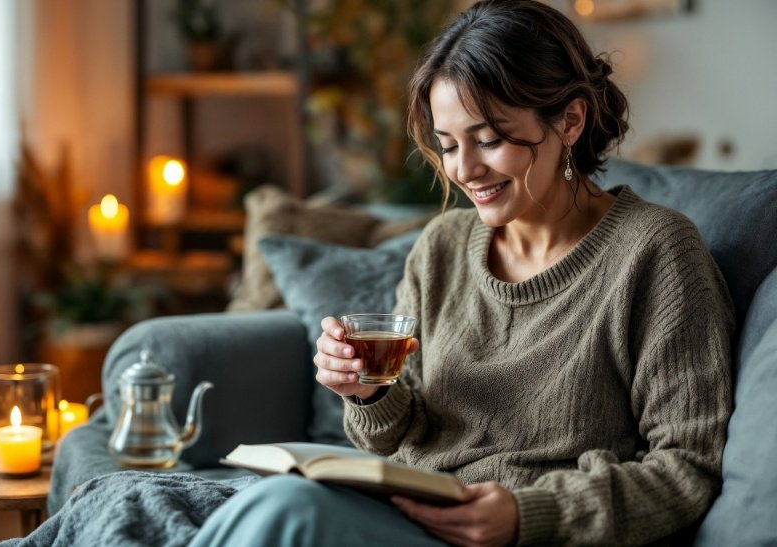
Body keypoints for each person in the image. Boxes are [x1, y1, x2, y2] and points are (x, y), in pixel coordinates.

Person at [192, 1, 734, 545]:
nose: (464, 170)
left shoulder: (656, 252)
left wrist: (528, 515)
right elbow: (396, 435)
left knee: (290, 513)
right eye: (449, 145)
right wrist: (367, 393)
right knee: (263, 500)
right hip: (407, 512)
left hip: (525, 534)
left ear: (570, 120)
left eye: (490, 140)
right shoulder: (442, 248)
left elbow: (687, 468)